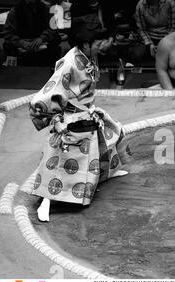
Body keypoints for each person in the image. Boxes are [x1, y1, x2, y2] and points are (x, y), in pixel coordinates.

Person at [28, 22, 128, 222]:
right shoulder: (70, 62)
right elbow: (49, 91)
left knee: (107, 137)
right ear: (85, 43)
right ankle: (46, 201)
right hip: (71, 117)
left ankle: (104, 174)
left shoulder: (89, 55)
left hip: (87, 112)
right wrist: (55, 119)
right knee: (60, 160)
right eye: (98, 42)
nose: (102, 45)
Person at [3, 0, 62, 66]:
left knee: (56, 39)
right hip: (22, 42)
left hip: (41, 43)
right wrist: (21, 42)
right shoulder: (15, 11)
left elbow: (53, 28)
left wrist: (41, 38)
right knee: (7, 45)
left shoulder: (46, 8)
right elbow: (8, 33)